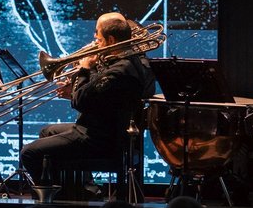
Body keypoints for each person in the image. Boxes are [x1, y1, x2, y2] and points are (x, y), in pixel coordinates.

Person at [19, 12, 155, 182]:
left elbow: (81, 102)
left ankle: (55, 199)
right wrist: (76, 89)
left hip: (98, 139)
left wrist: (84, 69)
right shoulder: (123, 62)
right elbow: (100, 99)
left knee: (29, 153)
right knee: (47, 132)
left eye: (98, 36)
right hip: (100, 130)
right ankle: (76, 191)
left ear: (111, 40)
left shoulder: (119, 71)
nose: (94, 40)